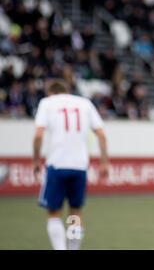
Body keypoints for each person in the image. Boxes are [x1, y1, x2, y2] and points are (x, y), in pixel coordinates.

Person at [33, 79, 110, 250]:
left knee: (53, 212)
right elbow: (101, 135)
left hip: (57, 164)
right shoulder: (85, 103)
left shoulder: (47, 103)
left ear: (51, 92)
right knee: (75, 213)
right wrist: (104, 163)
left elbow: (38, 135)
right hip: (80, 166)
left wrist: (36, 161)